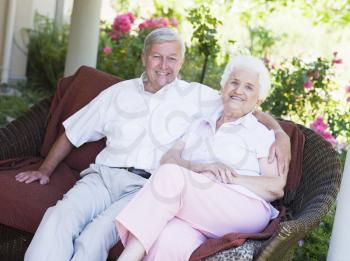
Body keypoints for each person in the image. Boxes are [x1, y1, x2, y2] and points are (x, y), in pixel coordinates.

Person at [15, 28, 290, 261]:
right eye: (157, 56)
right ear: (144, 57)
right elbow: (73, 132)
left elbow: (243, 102)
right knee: (58, 217)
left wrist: (280, 134)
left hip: (145, 188)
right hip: (101, 177)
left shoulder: (196, 96)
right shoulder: (117, 93)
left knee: (95, 235)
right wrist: (45, 170)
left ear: (181, 62)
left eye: (172, 58)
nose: (164, 65)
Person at [115, 54, 287, 261]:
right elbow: (169, 160)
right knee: (169, 239)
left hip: (243, 208)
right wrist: (202, 167)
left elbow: (275, 187)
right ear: (223, 88)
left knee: (170, 176)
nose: (239, 90)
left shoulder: (260, 134)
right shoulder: (201, 123)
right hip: (198, 205)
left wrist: (229, 177)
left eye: (249, 87)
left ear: (258, 100)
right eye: (234, 82)